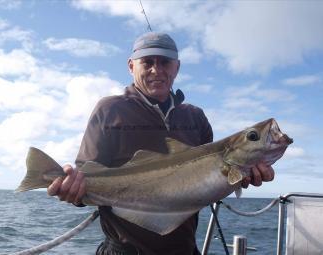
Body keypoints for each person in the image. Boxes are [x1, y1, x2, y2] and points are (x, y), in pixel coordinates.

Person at [47, 32, 275, 255]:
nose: (157, 70)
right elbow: (87, 173)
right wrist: (72, 190)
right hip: (125, 249)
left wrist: (242, 178)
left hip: (184, 248)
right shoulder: (109, 110)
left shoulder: (196, 118)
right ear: (131, 66)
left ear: (177, 67)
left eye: (165, 62)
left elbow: (208, 181)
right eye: (147, 63)